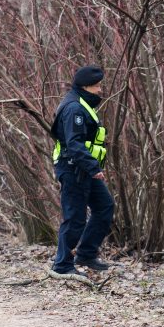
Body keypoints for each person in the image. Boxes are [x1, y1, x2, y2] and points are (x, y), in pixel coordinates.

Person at [50, 65, 114, 275]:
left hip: (83, 169)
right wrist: (93, 166)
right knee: (74, 217)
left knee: (104, 207)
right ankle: (62, 265)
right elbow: (74, 143)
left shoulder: (82, 104)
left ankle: (86, 254)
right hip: (73, 168)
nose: (100, 90)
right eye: (97, 86)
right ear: (86, 86)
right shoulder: (74, 109)